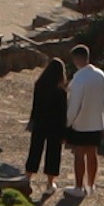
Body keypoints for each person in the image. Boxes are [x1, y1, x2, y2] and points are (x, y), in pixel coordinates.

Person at [63, 48, 104, 193]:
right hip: (97, 121)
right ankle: (91, 184)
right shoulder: (101, 75)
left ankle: (79, 187)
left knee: (79, 154)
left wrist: (67, 123)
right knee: (92, 153)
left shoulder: (79, 78)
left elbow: (74, 104)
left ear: (77, 59)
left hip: (81, 122)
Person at [27, 52, 70, 183]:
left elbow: (35, 106)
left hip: (40, 122)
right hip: (55, 126)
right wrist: (64, 132)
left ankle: (27, 177)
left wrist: (32, 121)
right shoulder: (61, 91)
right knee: (53, 154)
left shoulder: (39, 85)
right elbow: (63, 113)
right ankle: (50, 183)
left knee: (34, 151)